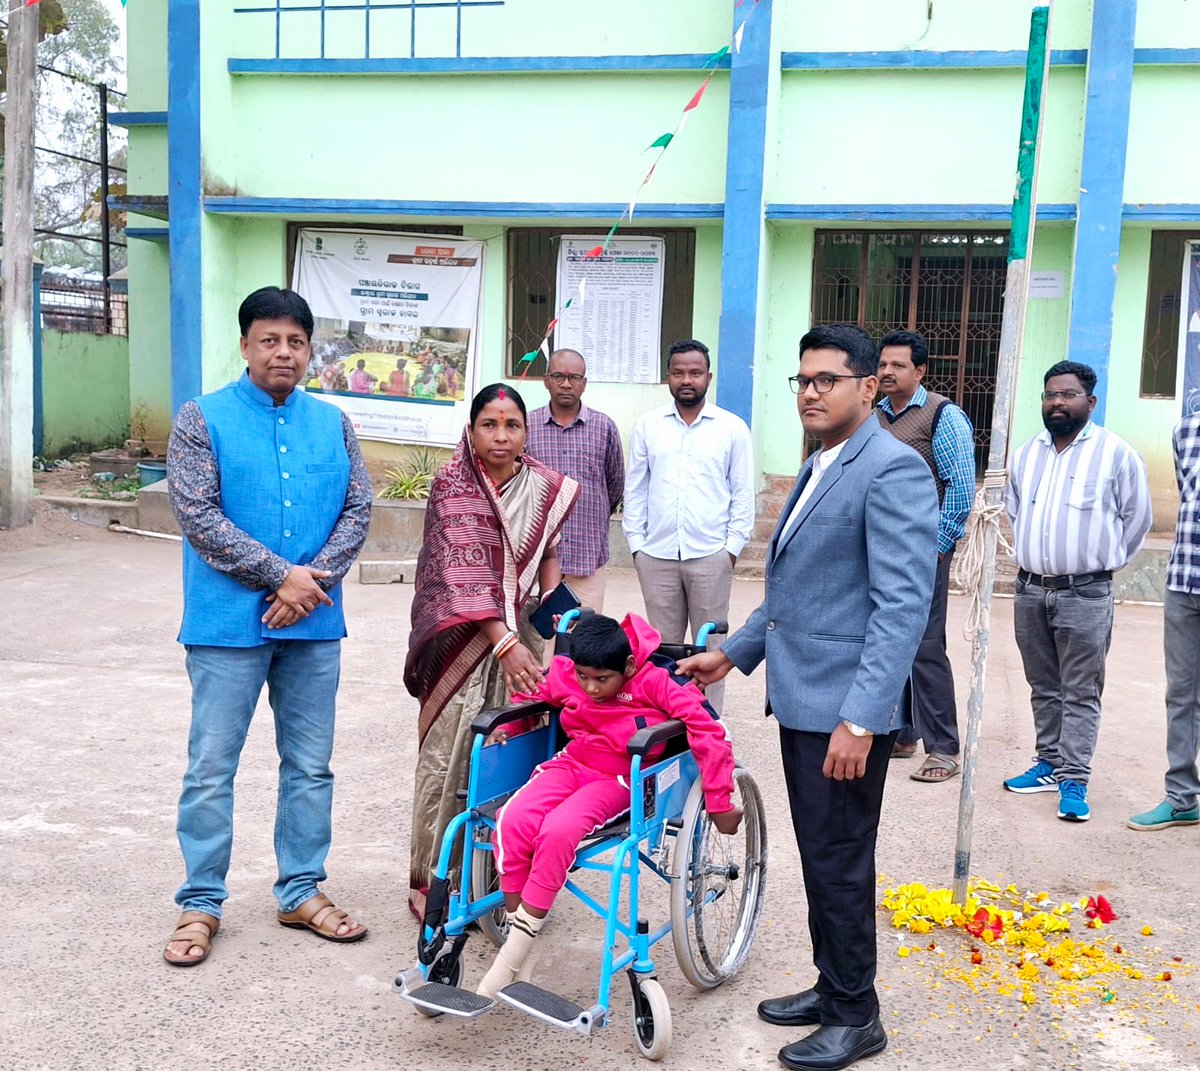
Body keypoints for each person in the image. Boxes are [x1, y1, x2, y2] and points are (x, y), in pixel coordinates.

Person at [677, 323, 938, 1071]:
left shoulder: (891, 468)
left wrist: (862, 717)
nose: (812, 391)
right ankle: (835, 986)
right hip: (805, 701)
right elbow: (799, 592)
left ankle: (858, 1017)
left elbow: (900, 606)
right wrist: (733, 652)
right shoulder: (824, 462)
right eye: (803, 380)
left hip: (843, 712)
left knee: (841, 859)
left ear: (868, 387)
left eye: (828, 379)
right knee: (824, 857)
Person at [162, 286, 373, 967]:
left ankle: (301, 889)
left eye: (296, 341)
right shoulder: (202, 419)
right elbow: (198, 514)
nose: (283, 352)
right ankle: (200, 903)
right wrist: (280, 576)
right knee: (210, 767)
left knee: (310, 766)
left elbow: (357, 510)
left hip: (311, 627)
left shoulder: (333, 423)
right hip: (226, 627)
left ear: (310, 350)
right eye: (269, 339)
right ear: (246, 345)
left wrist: (306, 588)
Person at [476, 613, 741, 999]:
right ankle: (520, 949)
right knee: (512, 820)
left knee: (557, 831)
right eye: (584, 677)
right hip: (572, 763)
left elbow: (706, 729)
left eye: (602, 679)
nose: (591, 688)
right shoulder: (569, 672)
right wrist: (511, 728)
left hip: (620, 778)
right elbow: (532, 696)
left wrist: (719, 800)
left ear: (628, 666)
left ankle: (510, 960)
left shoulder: (654, 681)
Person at [404, 383, 579, 919]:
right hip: (461, 643)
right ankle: (434, 878)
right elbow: (457, 577)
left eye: (512, 425)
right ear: (472, 430)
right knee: (450, 755)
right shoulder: (452, 485)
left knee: (518, 753)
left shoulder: (541, 485)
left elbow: (547, 551)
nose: (501, 436)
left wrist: (557, 605)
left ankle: (503, 873)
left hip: (522, 641)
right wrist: (502, 643)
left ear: (526, 431)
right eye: (490, 424)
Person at [1004, 360, 1152, 822]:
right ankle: (1047, 763)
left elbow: (1138, 520)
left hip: (1085, 594)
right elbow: (1014, 514)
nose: (1057, 403)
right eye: (1050, 395)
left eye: (1067, 395)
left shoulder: (1116, 454)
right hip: (1031, 590)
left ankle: (1074, 778)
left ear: (1090, 401)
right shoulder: (1026, 454)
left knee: (1080, 690)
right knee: (1042, 685)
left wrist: (1095, 567)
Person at [623, 338, 755, 712]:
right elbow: (636, 489)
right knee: (662, 650)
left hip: (711, 555)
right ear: (668, 377)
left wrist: (730, 550)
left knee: (711, 649)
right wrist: (637, 545)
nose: (687, 380)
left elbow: (742, 495)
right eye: (679, 372)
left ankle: (710, 726)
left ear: (708, 377)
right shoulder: (648, 426)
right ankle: (670, 725)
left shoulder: (731, 428)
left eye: (695, 373)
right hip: (657, 555)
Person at [875, 329, 976, 783]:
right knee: (884, 638)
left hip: (923, 551)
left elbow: (959, 485)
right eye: (882, 365)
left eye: (898, 366)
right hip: (878, 549)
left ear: (920, 371)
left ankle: (945, 747)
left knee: (926, 647)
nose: (887, 373)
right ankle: (903, 732)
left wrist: (940, 544)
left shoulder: (942, 416)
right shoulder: (871, 415)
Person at [1130, 409, 1200, 831]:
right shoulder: (1186, 429)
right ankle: (1182, 796)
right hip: (1185, 579)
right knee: (1181, 693)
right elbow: (1186, 494)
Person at [524, 348, 625, 617]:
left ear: (584, 383)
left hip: (586, 553)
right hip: (535, 556)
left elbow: (614, 485)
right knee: (539, 641)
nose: (566, 384)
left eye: (574, 377)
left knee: (582, 642)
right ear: (546, 380)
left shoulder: (604, 427)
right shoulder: (526, 426)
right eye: (558, 376)